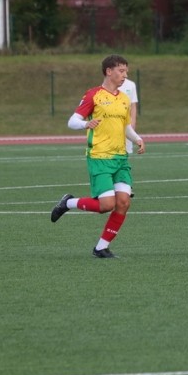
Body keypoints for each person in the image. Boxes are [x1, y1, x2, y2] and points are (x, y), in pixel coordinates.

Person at [50, 54, 145, 259]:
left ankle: (101, 248)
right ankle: (68, 203)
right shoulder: (93, 95)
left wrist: (137, 138)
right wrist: (86, 124)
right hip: (99, 157)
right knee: (106, 205)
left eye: (126, 71)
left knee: (123, 202)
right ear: (108, 71)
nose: (125, 75)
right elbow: (72, 121)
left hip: (120, 158)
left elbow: (125, 126)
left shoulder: (124, 98)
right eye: (121, 71)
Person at [121, 58, 139, 155]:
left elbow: (133, 105)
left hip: (127, 123)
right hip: (114, 123)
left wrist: (133, 122)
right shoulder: (110, 85)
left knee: (127, 151)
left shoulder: (131, 85)